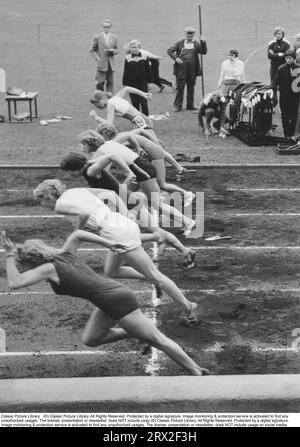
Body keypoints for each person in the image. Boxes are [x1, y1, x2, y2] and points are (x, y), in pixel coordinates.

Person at [1, 230, 209, 376]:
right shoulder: (66, 254)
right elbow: (78, 234)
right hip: (108, 299)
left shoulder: (48, 269)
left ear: (33, 261)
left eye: (24, 265)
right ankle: (136, 332)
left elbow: (14, 282)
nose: (24, 270)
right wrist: (108, 244)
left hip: (116, 300)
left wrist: (10, 254)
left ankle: (196, 370)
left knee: (158, 341)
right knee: (91, 339)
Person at [33, 180, 198, 318]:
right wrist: (127, 214)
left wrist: (77, 232)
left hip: (115, 232)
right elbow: (111, 194)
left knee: (156, 276)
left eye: (41, 200)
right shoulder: (76, 190)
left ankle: (188, 305)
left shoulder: (59, 205)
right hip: (118, 221)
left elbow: (82, 215)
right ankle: (150, 277)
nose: (41, 204)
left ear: (48, 196)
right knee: (112, 270)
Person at [77, 130, 197, 236]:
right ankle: (127, 222)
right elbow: (130, 136)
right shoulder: (110, 143)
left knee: (155, 204)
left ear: (89, 143)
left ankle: (188, 222)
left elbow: (103, 172)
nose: (81, 148)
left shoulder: (99, 152)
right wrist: (137, 148)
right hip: (141, 168)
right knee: (126, 197)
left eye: (82, 144)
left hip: (142, 171)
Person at [95, 121, 194, 201]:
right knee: (140, 182)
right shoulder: (122, 135)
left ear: (104, 134)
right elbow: (141, 130)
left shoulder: (117, 141)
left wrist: (151, 144)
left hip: (153, 155)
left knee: (161, 184)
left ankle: (186, 194)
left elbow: (117, 154)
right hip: (150, 155)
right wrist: (154, 141)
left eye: (99, 135)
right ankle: (152, 201)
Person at [167, 26, 207, 112]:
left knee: (191, 88)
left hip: (192, 70)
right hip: (181, 70)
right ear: (185, 34)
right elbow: (169, 50)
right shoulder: (179, 43)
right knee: (180, 88)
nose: (190, 35)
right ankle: (177, 106)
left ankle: (190, 105)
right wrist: (176, 58)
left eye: (191, 33)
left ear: (193, 34)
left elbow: (203, 52)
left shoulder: (196, 43)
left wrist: (203, 42)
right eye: (188, 33)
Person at [89, 87, 154, 137]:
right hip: (142, 120)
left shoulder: (110, 104)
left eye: (96, 104)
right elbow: (127, 89)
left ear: (101, 100)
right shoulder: (115, 98)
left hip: (141, 122)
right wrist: (143, 94)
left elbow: (109, 124)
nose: (96, 106)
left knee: (152, 145)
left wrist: (96, 117)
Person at [272, 49, 300, 140]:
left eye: (290, 58)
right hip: (284, 96)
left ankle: (292, 135)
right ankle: (286, 134)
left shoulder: (298, 68)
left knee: (294, 116)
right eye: (287, 58)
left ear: (294, 58)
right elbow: (275, 82)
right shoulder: (281, 68)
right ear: (285, 59)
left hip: (295, 96)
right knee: (284, 116)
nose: (288, 60)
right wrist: (274, 92)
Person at [217, 48, 246, 136]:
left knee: (234, 106)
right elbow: (222, 75)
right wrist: (218, 85)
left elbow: (238, 74)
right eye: (229, 55)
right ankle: (221, 127)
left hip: (236, 86)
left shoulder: (240, 63)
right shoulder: (224, 63)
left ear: (236, 56)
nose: (230, 57)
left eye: (232, 55)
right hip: (226, 85)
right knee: (222, 105)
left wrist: (233, 64)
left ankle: (233, 126)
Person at [122, 40, 153, 115]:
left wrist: (150, 82)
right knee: (135, 104)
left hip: (143, 83)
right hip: (132, 84)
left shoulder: (145, 57)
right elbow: (126, 72)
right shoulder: (127, 58)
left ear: (139, 48)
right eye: (132, 47)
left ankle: (146, 120)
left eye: (135, 47)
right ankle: (138, 121)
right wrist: (126, 84)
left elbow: (149, 70)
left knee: (144, 103)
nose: (134, 49)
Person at [90, 19, 118, 93]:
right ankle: (99, 98)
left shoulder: (114, 37)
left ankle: (109, 98)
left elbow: (116, 49)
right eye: (104, 26)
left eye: (108, 26)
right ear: (102, 27)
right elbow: (92, 50)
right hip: (101, 64)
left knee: (110, 82)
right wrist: (97, 58)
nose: (106, 28)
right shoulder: (97, 37)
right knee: (100, 82)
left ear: (110, 27)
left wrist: (113, 51)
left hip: (110, 64)